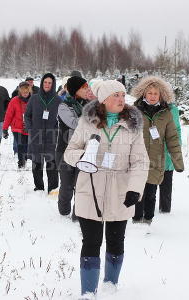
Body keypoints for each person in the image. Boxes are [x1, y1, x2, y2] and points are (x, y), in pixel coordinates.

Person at [64, 80, 149, 297]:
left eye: (123, 95)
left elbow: (140, 161)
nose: (122, 99)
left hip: (120, 192)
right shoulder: (86, 122)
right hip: (90, 189)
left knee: (115, 241)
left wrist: (135, 189)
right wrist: (83, 157)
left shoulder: (133, 126)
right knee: (91, 242)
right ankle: (88, 293)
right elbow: (69, 151)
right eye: (116, 95)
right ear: (103, 100)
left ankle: (110, 288)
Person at [131, 76, 184, 225]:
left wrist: (177, 162)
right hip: (138, 160)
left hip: (156, 160)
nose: (153, 96)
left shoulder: (166, 113)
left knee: (151, 194)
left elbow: (172, 138)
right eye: (150, 93)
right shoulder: (135, 111)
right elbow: (126, 135)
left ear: (161, 95)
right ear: (144, 94)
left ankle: (148, 221)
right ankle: (136, 220)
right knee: (138, 191)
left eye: (156, 93)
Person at [56, 76, 89, 218]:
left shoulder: (88, 104)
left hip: (83, 150)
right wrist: (91, 117)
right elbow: (74, 124)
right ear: (76, 89)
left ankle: (78, 213)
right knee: (67, 185)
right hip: (65, 150)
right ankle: (64, 211)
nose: (87, 90)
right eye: (84, 87)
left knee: (80, 185)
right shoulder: (63, 105)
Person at [25, 73, 62, 194]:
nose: (47, 85)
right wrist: (31, 129)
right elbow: (27, 116)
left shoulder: (57, 100)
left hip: (51, 137)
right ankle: (39, 187)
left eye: (50, 83)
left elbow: (61, 119)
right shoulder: (34, 98)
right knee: (37, 163)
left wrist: (56, 131)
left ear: (53, 84)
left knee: (52, 164)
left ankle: (53, 189)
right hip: (36, 136)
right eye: (45, 82)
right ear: (41, 83)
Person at [158, 103, 182, 213]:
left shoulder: (173, 109)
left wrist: (177, 145)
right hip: (153, 151)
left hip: (168, 151)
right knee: (149, 186)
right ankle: (145, 212)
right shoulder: (151, 106)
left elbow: (177, 129)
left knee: (166, 183)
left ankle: (165, 211)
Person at [3, 82, 31, 169]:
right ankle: (21, 164)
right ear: (20, 91)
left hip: (28, 127)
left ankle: (25, 160)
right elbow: (9, 115)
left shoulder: (33, 100)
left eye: (26, 92)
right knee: (20, 145)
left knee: (26, 145)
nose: (25, 94)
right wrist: (5, 128)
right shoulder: (14, 100)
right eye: (23, 92)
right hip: (17, 127)